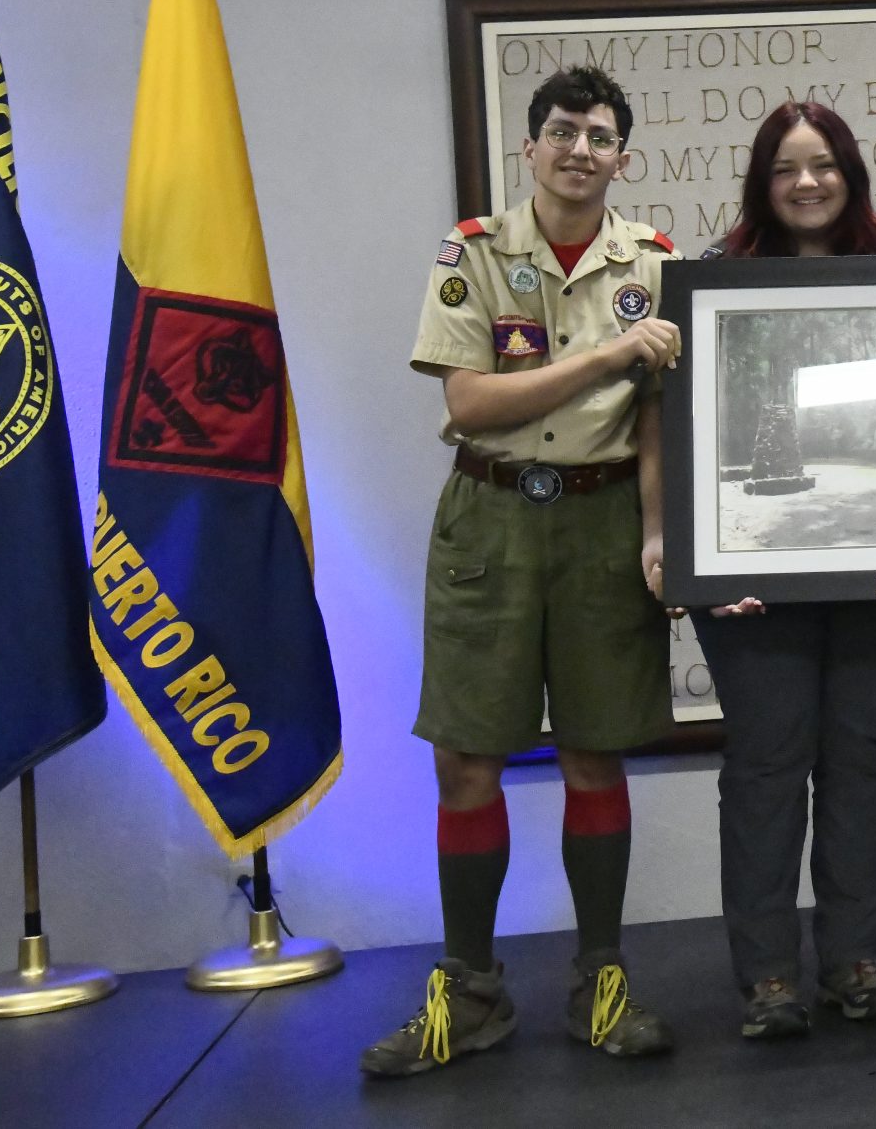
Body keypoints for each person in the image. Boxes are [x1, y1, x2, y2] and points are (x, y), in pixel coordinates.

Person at [366, 64, 681, 1079]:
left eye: (599, 136)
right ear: (530, 148)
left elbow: (657, 422)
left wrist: (654, 530)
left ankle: (600, 981)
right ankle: (471, 990)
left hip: (598, 522)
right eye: (562, 132)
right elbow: (470, 404)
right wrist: (604, 357)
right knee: (466, 760)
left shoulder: (656, 265)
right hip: (490, 517)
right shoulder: (474, 254)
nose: (579, 150)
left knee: (596, 754)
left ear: (621, 157)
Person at [674, 100, 876, 1041]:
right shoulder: (713, 282)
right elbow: (674, 431)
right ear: (762, 182)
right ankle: (770, 977)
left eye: (822, 164)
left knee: (861, 756)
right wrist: (700, 557)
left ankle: (858, 959)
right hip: (748, 572)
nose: (807, 183)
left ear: (851, 172)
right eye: (786, 168)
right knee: (767, 763)